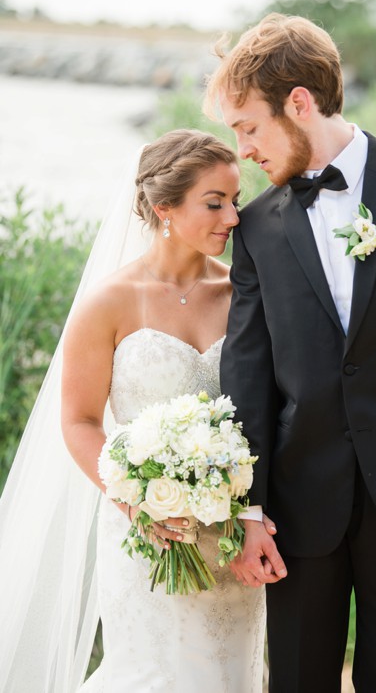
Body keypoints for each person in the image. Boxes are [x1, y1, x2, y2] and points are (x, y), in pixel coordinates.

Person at [204, 14, 376, 692]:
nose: (242, 149)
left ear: (298, 104)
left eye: (248, 127)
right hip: (300, 507)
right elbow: (246, 373)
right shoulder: (260, 229)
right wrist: (248, 509)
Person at [0, 130, 267, 692]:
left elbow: (268, 409)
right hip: (147, 535)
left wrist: (248, 510)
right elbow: (78, 420)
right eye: (214, 203)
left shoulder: (245, 295)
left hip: (231, 540)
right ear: (162, 207)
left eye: (235, 201)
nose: (234, 218)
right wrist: (137, 497)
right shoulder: (109, 301)